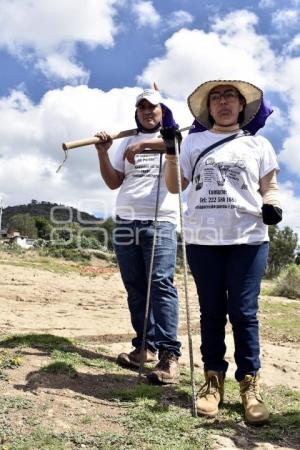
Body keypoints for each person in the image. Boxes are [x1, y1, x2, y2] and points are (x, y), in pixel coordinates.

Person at [163, 80, 282, 424]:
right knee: (211, 312)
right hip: (203, 239)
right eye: (216, 98)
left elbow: (269, 187)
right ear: (208, 108)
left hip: (248, 238)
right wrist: (172, 150)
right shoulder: (194, 142)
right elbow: (175, 186)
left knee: (244, 313)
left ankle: (250, 386)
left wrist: (272, 206)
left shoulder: (259, 144)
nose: (223, 102)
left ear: (242, 107)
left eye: (230, 96)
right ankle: (212, 383)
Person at [94, 88, 181, 385]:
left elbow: (176, 143)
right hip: (126, 222)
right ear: (136, 112)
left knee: (160, 284)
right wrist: (103, 153)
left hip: (161, 223)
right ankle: (144, 347)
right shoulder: (125, 142)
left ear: (162, 111)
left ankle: (170, 356)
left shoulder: (172, 136)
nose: (147, 111)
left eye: (153, 107)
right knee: (135, 288)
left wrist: (147, 144)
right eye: (142, 107)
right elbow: (113, 181)